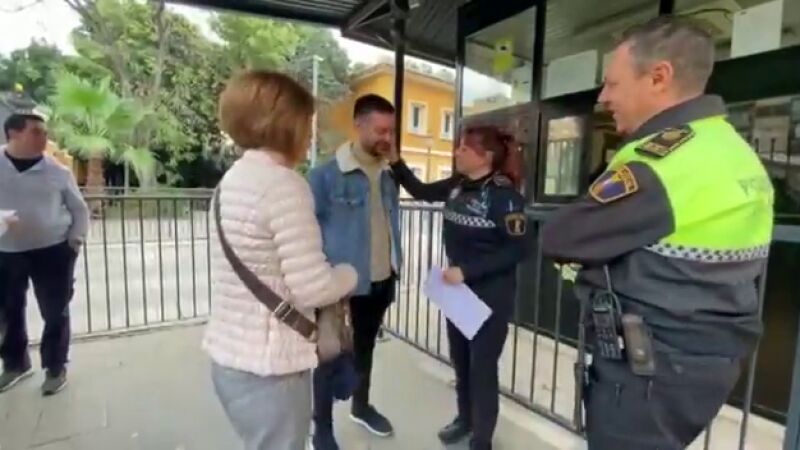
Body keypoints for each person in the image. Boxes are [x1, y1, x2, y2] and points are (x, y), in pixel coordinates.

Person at [541, 16, 774, 449]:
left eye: (613, 83)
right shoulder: (733, 148)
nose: (603, 97)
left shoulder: (661, 162)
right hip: (709, 361)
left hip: (649, 371)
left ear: (659, 77)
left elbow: (559, 238)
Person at [202, 70, 357, 450]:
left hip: (230, 356)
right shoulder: (284, 185)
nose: (310, 135)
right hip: (271, 367)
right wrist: (348, 274)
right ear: (286, 124)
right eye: (306, 123)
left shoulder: (230, 182)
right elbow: (314, 288)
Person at [388, 125, 528, 450]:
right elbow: (421, 192)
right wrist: (396, 161)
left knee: (482, 369)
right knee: (461, 363)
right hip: (457, 293)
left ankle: (482, 439)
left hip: (490, 296)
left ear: (485, 156)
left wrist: (467, 271)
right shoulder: (457, 186)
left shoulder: (505, 197)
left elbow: (519, 250)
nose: (456, 153)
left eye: (464, 148)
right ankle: (465, 419)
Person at [308, 94, 402, 449]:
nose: (387, 138)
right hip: (341, 289)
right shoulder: (325, 176)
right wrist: (322, 283)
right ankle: (322, 428)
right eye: (380, 130)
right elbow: (308, 235)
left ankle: (361, 407)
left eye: (390, 131)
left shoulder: (388, 174)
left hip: (381, 281)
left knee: (365, 350)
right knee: (328, 358)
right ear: (358, 125)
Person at [0, 113, 89, 396]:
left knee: (55, 311)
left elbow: (79, 209)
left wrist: (75, 241)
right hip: (6, 251)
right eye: (36, 132)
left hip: (53, 251)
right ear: (13, 134)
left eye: (45, 132)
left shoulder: (58, 172)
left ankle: (55, 367)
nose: (44, 138)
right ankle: (15, 364)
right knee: (8, 311)